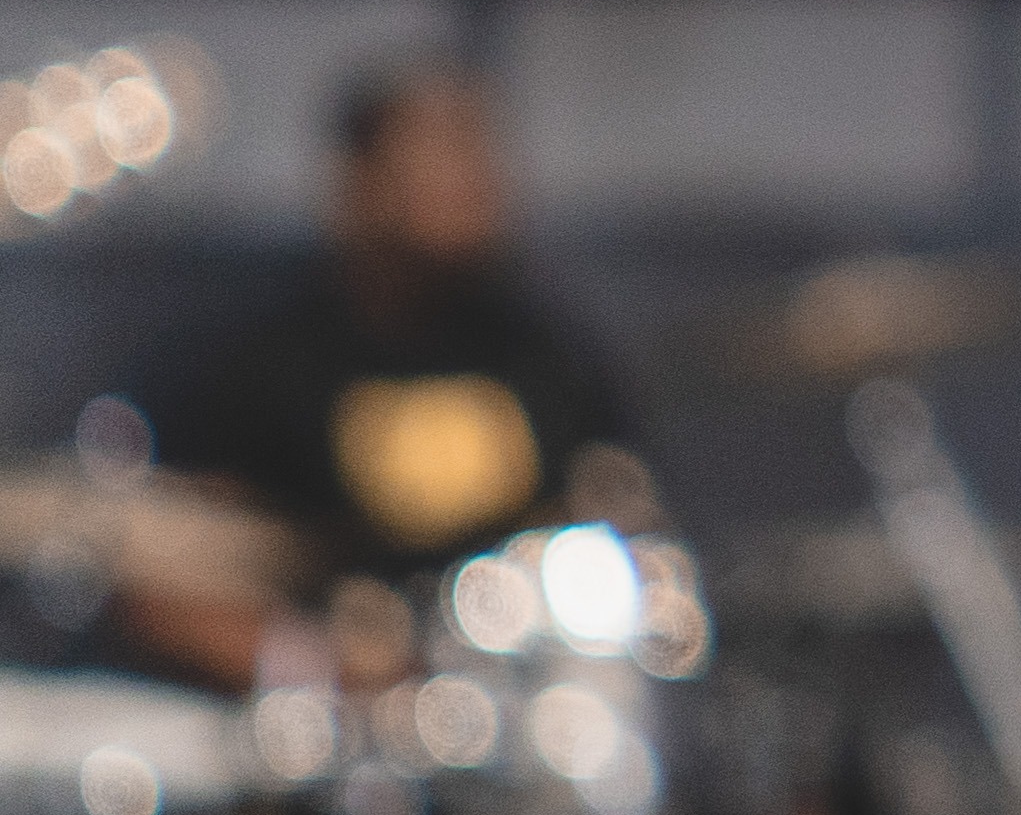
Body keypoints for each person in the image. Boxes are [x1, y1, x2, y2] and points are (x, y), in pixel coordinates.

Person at [121, 60, 638, 691]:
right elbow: (165, 587)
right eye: (438, 153)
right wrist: (325, 671)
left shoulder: (549, 358)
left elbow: (625, 542)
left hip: (521, 703)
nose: (472, 181)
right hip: (320, 712)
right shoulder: (259, 366)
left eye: (479, 151)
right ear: (360, 179)